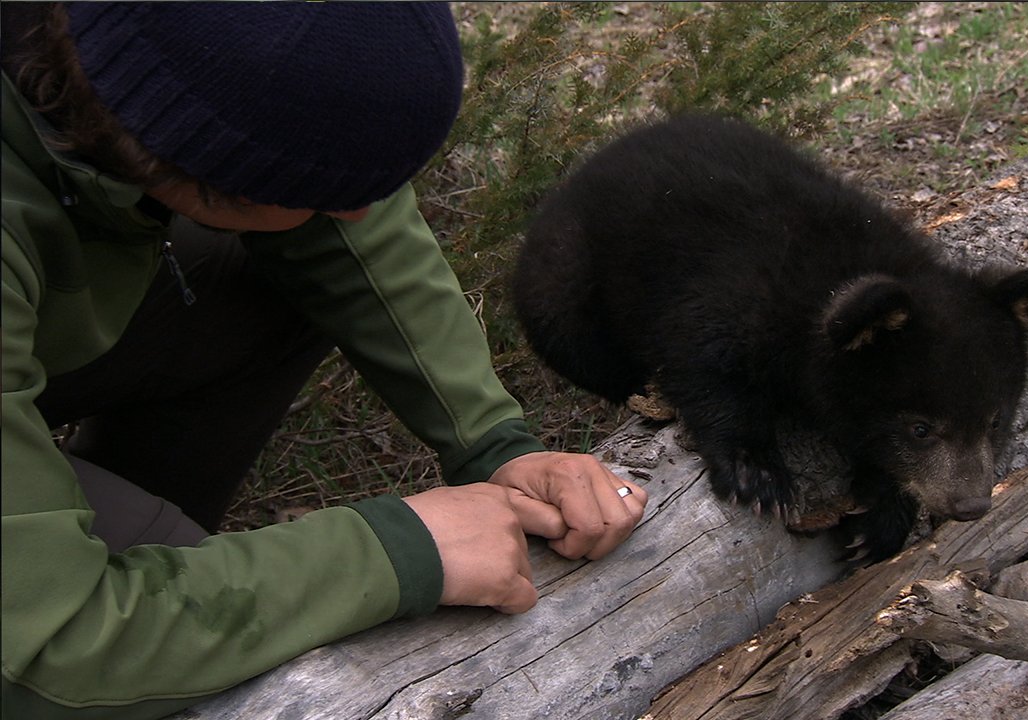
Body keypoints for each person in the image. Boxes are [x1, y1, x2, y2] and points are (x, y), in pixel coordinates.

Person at [0, 3, 648, 718]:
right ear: (175, 154)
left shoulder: (140, 60)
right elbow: (46, 652)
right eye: (327, 197)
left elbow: (345, 223)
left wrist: (492, 443)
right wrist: (394, 552)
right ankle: (132, 593)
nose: (361, 217)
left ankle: (122, 546)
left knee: (260, 285)